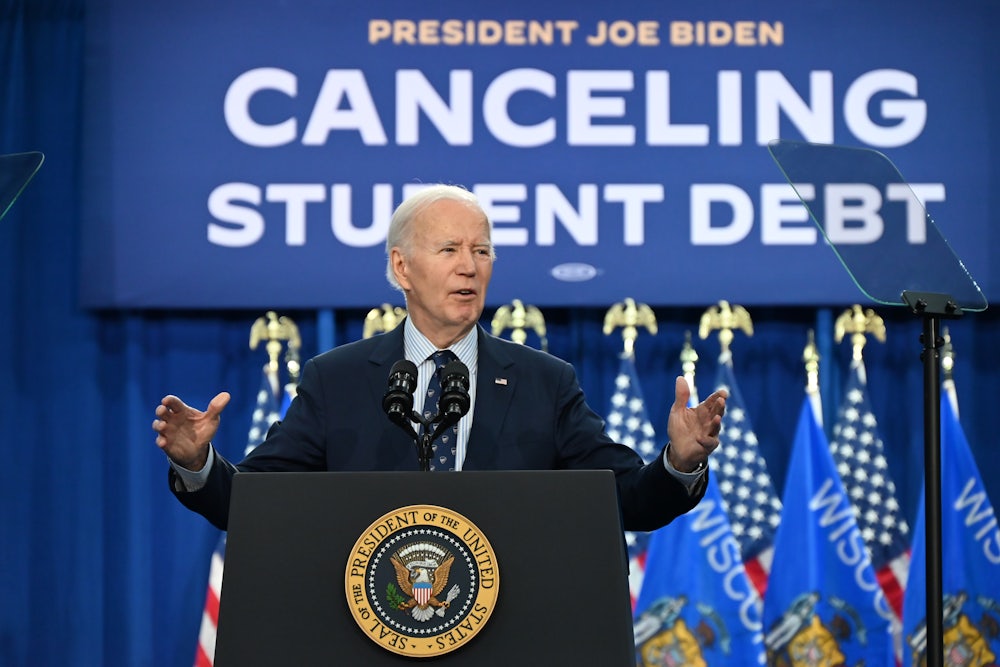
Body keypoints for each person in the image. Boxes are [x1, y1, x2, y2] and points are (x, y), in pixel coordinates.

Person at [154, 184, 727, 532]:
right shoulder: (339, 381)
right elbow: (255, 503)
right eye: (450, 249)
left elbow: (625, 498)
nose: (470, 266)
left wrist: (678, 460)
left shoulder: (543, 382)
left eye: (481, 251)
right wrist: (198, 463)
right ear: (402, 268)